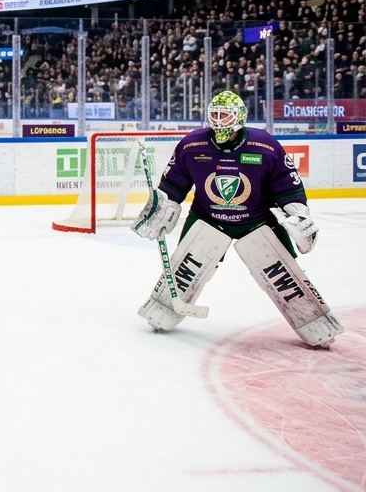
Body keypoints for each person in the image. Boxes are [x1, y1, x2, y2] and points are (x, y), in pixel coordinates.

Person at [134, 91, 342, 347]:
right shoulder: (192, 145)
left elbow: (286, 185)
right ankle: (162, 307)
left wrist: (297, 212)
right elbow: (174, 183)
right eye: (215, 115)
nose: (219, 121)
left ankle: (315, 323)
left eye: (225, 115)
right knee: (185, 267)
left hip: (257, 219)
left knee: (284, 275)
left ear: (239, 117)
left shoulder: (264, 145)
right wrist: (164, 205)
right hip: (207, 217)